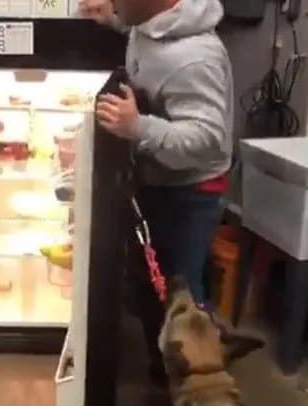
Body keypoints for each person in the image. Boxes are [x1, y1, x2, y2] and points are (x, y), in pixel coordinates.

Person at [80, 0, 234, 382]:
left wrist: (138, 128)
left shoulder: (195, 59)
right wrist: (115, 19)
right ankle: (162, 364)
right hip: (161, 178)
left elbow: (209, 139)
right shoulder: (152, 21)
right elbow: (142, 34)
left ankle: (197, 383)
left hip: (191, 190)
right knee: (155, 279)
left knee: (184, 295)